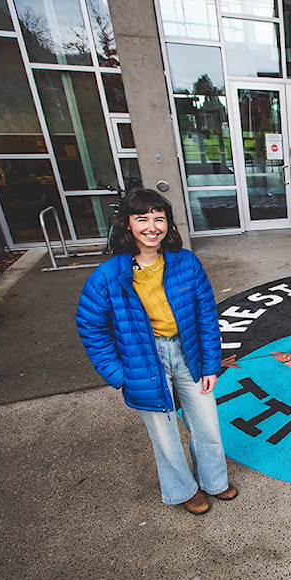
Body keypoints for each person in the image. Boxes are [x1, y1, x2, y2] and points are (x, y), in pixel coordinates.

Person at [76, 188, 236, 515]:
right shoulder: (108, 277)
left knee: (207, 425)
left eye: (159, 218)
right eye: (142, 219)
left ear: (168, 224)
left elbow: (206, 314)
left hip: (188, 353)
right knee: (164, 435)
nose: (152, 226)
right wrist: (119, 375)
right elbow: (90, 327)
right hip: (144, 362)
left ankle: (215, 482)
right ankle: (184, 490)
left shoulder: (185, 263)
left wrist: (210, 365)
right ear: (127, 225)